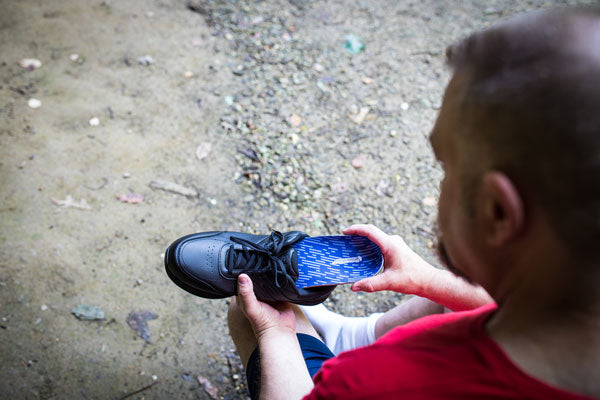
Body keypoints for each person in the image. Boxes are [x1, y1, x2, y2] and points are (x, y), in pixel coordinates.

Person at [227, 7, 600, 400]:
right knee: (454, 298)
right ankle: (347, 335)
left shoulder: (372, 383)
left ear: (498, 213)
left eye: (445, 166)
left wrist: (276, 335)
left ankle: (303, 343)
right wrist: (426, 280)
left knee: (249, 310)